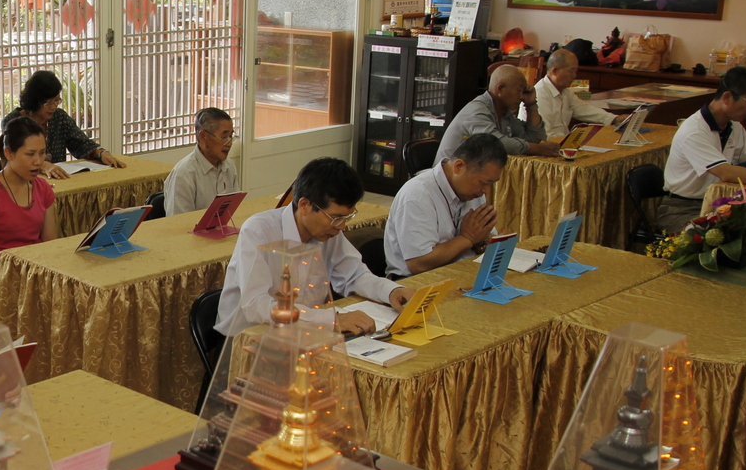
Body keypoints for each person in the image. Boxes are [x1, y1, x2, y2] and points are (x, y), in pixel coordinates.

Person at [217, 158, 411, 337]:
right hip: (249, 338)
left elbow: (354, 275)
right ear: (304, 205)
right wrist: (329, 320)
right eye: (336, 217)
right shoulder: (259, 231)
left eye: (347, 217)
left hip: (304, 331)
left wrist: (391, 291)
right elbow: (256, 306)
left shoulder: (328, 231)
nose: (341, 226)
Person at [658, 67, 746, 235]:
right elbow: (726, 173)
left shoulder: (734, 126)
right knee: (722, 236)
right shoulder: (694, 130)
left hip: (718, 203)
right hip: (682, 208)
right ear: (727, 97)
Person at [0, 116, 58, 315]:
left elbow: (50, 245)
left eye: (42, 153)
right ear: (9, 153)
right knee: (35, 312)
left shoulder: (43, 188)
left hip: (35, 275)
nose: (38, 161)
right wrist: (18, 277)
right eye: (30, 154)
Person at [384, 134, 507, 278]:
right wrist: (468, 238)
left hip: (462, 271)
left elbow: (482, 238)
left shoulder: (473, 192)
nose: (487, 190)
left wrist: (488, 241)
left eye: (491, 183)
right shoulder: (418, 195)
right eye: (484, 183)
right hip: (416, 281)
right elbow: (418, 264)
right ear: (459, 166)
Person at [0, 70, 125, 179]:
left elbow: (80, 143)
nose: (53, 107)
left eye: (57, 101)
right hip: (23, 181)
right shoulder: (13, 122)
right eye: (48, 103)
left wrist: (100, 153)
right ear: (34, 101)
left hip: (58, 177)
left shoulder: (59, 117)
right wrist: (44, 165)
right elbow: (15, 157)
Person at [435, 65, 559, 163]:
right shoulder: (476, 110)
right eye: (519, 90)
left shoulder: (504, 113)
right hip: (450, 179)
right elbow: (494, 143)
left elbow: (534, 138)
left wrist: (531, 105)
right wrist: (537, 149)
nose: (522, 97)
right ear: (500, 88)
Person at [164, 108, 239, 216]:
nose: (230, 143)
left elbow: (234, 211)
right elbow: (177, 221)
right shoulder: (184, 174)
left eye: (231, 136)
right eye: (224, 137)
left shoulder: (229, 166)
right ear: (203, 136)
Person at [533, 48, 617, 140]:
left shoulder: (566, 92)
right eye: (571, 71)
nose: (574, 76)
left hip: (563, 143)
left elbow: (584, 109)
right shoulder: (539, 95)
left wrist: (615, 119)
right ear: (555, 71)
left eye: (575, 71)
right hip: (550, 145)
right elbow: (545, 136)